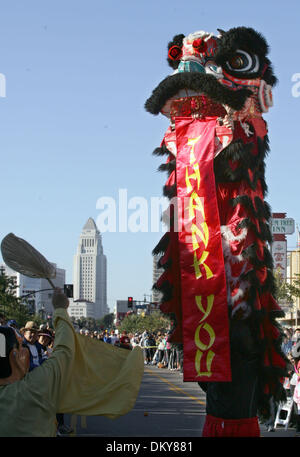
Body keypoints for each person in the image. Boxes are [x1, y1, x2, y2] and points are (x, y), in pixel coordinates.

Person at [0, 288, 144, 436]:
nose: (25, 349)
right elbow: (64, 351)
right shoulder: (33, 387)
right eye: (20, 346)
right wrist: (61, 309)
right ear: (13, 355)